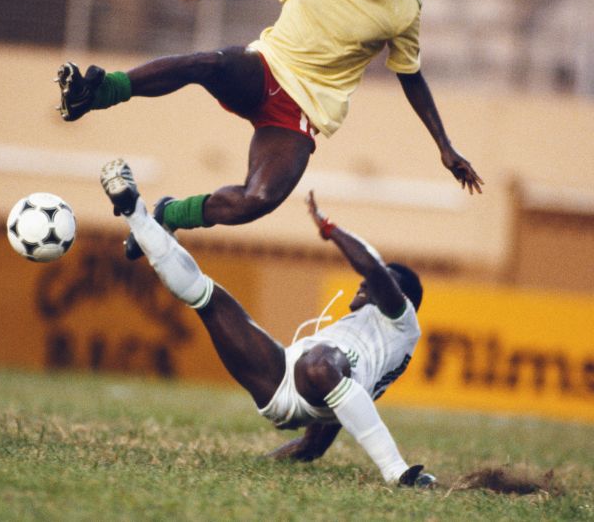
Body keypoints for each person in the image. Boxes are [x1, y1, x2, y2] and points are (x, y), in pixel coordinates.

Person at [59, 0, 483, 260]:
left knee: (258, 200)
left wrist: (444, 146)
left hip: (301, 112)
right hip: (265, 68)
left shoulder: (403, 9)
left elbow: (409, 74)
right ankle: (96, 92)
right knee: (208, 62)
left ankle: (170, 216)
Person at [99, 157, 439, 488]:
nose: (365, 284)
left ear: (402, 299)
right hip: (282, 383)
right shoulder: (369, 355)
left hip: (318, 372)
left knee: (321, 361)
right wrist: (258, 469)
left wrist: (330, 229)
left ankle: (396, 472)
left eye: (382, 285)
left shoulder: (403, 323)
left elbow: (373, 269)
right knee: (207, 298)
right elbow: (312, 446)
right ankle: (136, 214)